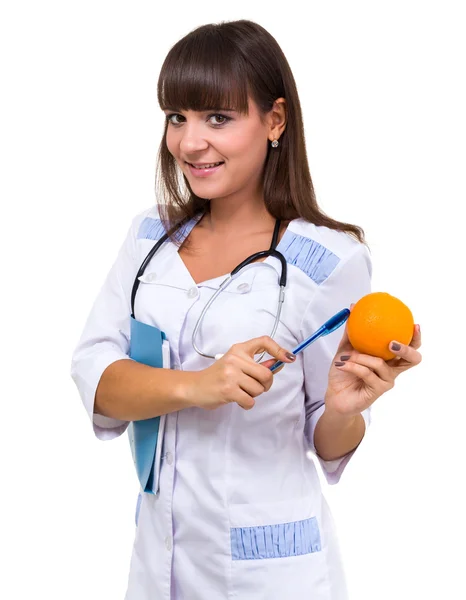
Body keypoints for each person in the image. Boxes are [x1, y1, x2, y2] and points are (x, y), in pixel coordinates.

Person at [70, 19, 422, 600]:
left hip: (275, 574)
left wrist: (342, 407)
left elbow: (326, 437)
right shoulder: (148, 238)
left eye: (218, 118)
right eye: (177, 117)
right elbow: (97, 378)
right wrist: (196, 385)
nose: (189, 143)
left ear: (275, 121)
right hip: (160, 562)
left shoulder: (328, 259)